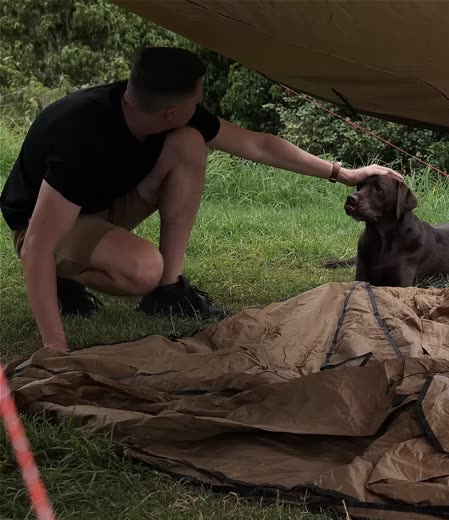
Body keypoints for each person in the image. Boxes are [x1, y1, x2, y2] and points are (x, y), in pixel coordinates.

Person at [0, 46, 403, 352]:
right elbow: (36, 244)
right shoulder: (81, 137)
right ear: (171, 110)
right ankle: (64, 277)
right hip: (44, 224)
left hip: (102, 206)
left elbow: (258, 145)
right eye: (198, 96)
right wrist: (56, 350)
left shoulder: (167, 116)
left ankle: (169, 291)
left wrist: (343, 173)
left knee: (190, 144)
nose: (202, 104)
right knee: (141, 270)